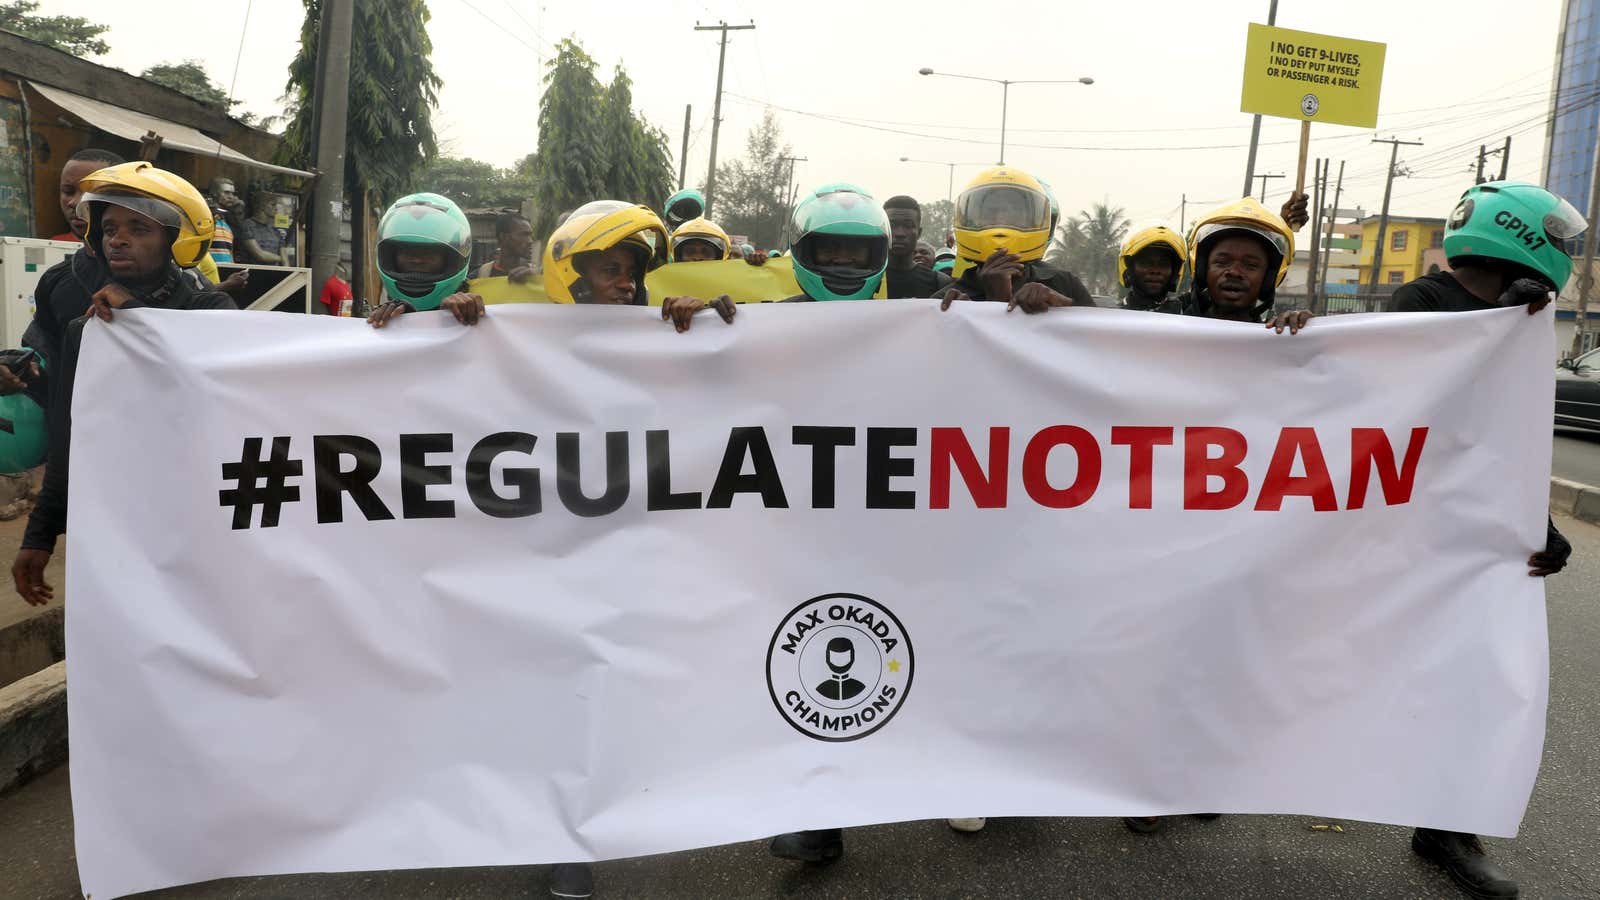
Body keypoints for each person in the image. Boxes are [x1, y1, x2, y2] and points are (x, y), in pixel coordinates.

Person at [1388, 180, 1578, 900]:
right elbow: (1424, 396)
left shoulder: (1528, 315)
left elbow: (1506, 437)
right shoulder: (1423, 300)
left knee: (1470, 682)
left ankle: (1446, 829)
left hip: (1470, 535)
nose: (1563, 252)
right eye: (1557, 238)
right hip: (1397, 528)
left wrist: (1540, 523)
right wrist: (1500, 321)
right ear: (1520, 234)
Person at [12, 162, 235, 606]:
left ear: (176, 238)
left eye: (139, 228)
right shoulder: (86, 330)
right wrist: (39, 534)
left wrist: (138, 318)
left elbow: (229, 391)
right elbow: (70, 435)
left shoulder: (214, 310)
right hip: (114, 518)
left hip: (201, 516)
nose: (118, 238)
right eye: (110, 227)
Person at [945, 167, 1095, 311]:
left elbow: (1097, 332)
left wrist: (1064, 306)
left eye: (1014, 214)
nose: (1001, 221)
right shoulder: (950, 301)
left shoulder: (1064, 284)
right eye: (990, 213)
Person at [365, 193, 486, 329]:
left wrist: (464, 312)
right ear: (390, 256)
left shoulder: (480, 304)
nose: (417, 259)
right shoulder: (383, 318)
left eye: (429, 252)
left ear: (451, 259)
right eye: (407, 251)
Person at [882, 195, 952, 299]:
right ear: (883, 229)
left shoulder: (940, 283)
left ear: (919, 233)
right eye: (892, 225)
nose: (900, 233)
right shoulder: (864, 280)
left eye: (908, 226)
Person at [49, 148, 125, 242]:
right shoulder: (54, 248)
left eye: (91, 193)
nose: (74, 202)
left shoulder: (142, 253)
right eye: (68, 191)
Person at [1117, 225, 1188, 313]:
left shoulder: (1185, 314)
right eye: (1146, 263)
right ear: (1131, 269)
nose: (1155, 271)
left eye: (1163, 264)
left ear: (1174, 271)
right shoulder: (1113, 317)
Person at [474, 212, 536, 282]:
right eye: (524, 235)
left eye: (530, 235)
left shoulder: (538, 275)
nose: (530, 241)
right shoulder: (480, 275)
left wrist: (537, 279)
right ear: (503, 237)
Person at [237, 190, 287, 266]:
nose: (276, 208)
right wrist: (280, 259)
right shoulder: (247, 226)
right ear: (262, 206)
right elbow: (260, 255)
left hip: (274, 273)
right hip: (252, 273)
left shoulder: (276, 231)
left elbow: (285, 261)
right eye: (273, 205)